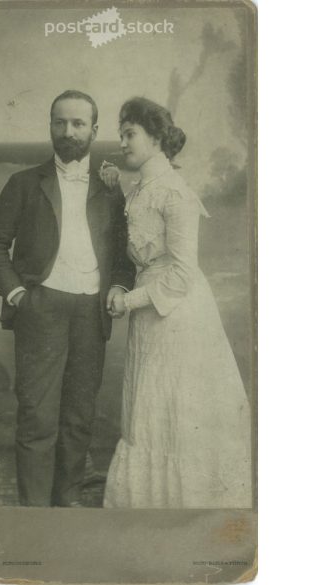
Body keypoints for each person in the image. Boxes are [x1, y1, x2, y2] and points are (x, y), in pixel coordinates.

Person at [0, 90, 135, 507]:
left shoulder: (109, 190)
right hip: (41, 309)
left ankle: (64, 511)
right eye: (60, 123)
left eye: (78, 124)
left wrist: (119, 286)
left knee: (78, 421)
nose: (69, 132)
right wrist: (18, 295)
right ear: (50, 127)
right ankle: (34, 519)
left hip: (90, 313)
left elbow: (124, 257)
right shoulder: (24, 183)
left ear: (94, 130)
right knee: (37, 419)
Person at [101, 97, 252, 508]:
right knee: (148, 413)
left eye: (129, 133)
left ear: (155, 138)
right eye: (121, 133)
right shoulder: (139, 190)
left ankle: (182, 511)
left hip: (178, 315)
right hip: (149, 315)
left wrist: (130, 300)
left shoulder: (175, 193)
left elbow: (183, 273)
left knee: (174, 412)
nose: (122, 142)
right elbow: (135, 250)